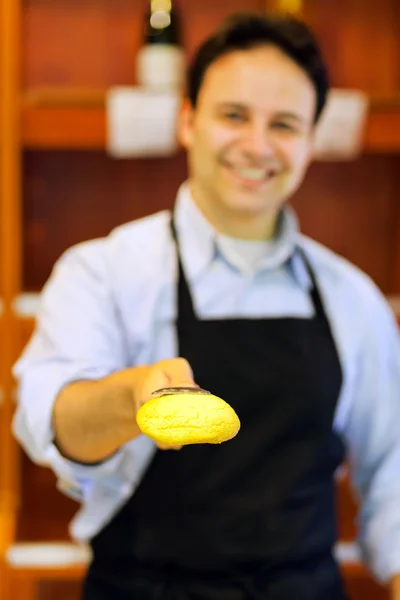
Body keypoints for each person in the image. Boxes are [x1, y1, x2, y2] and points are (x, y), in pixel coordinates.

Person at [12, 10, 400, 600]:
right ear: (188, 120)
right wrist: (131, 397)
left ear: (312, 140)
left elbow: (393, 473)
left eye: (286, 124)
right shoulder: (105, 272)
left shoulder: (352, 297)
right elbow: (52, 424)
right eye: (234, 115)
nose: (257, 145)